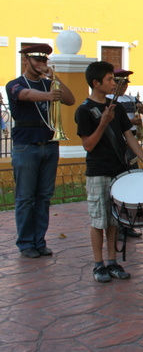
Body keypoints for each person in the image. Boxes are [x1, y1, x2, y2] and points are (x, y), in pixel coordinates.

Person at [75, 61, 143, 282]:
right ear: (96, 82)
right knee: (98, 219)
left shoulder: (117, 108)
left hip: (119, 170)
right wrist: (103, 123)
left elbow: (129, 137)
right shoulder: (83, 111)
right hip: (98, 171)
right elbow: (88, 145)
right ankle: (98, 264)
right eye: (110, 79)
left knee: (114, 220)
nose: (114, 83)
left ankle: (112, 260)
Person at [6, 44, 75, 258]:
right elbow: (25, 95)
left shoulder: (49, 83)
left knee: (44, 197)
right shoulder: (14, 84)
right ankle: (26, 243)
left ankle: (39, 240)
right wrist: (47, 96)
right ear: (26, 60)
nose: (41, 64)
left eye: (44, 60)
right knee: (26, 197)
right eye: (37, 60)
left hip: (49, 145)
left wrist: (55, 78)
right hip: (26, 146)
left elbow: (70, 99)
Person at [107, 68, 143, 239]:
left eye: (126, 83)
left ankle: (127, 223)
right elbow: (110, 122)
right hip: (118, 143)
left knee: (131, 182)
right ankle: (118, 225)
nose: (123, 86)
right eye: (120, 83)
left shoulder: (131, 99)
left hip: (133, 143)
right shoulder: (108, 99)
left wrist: (142, 108)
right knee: (120, 183)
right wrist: (130, 121)